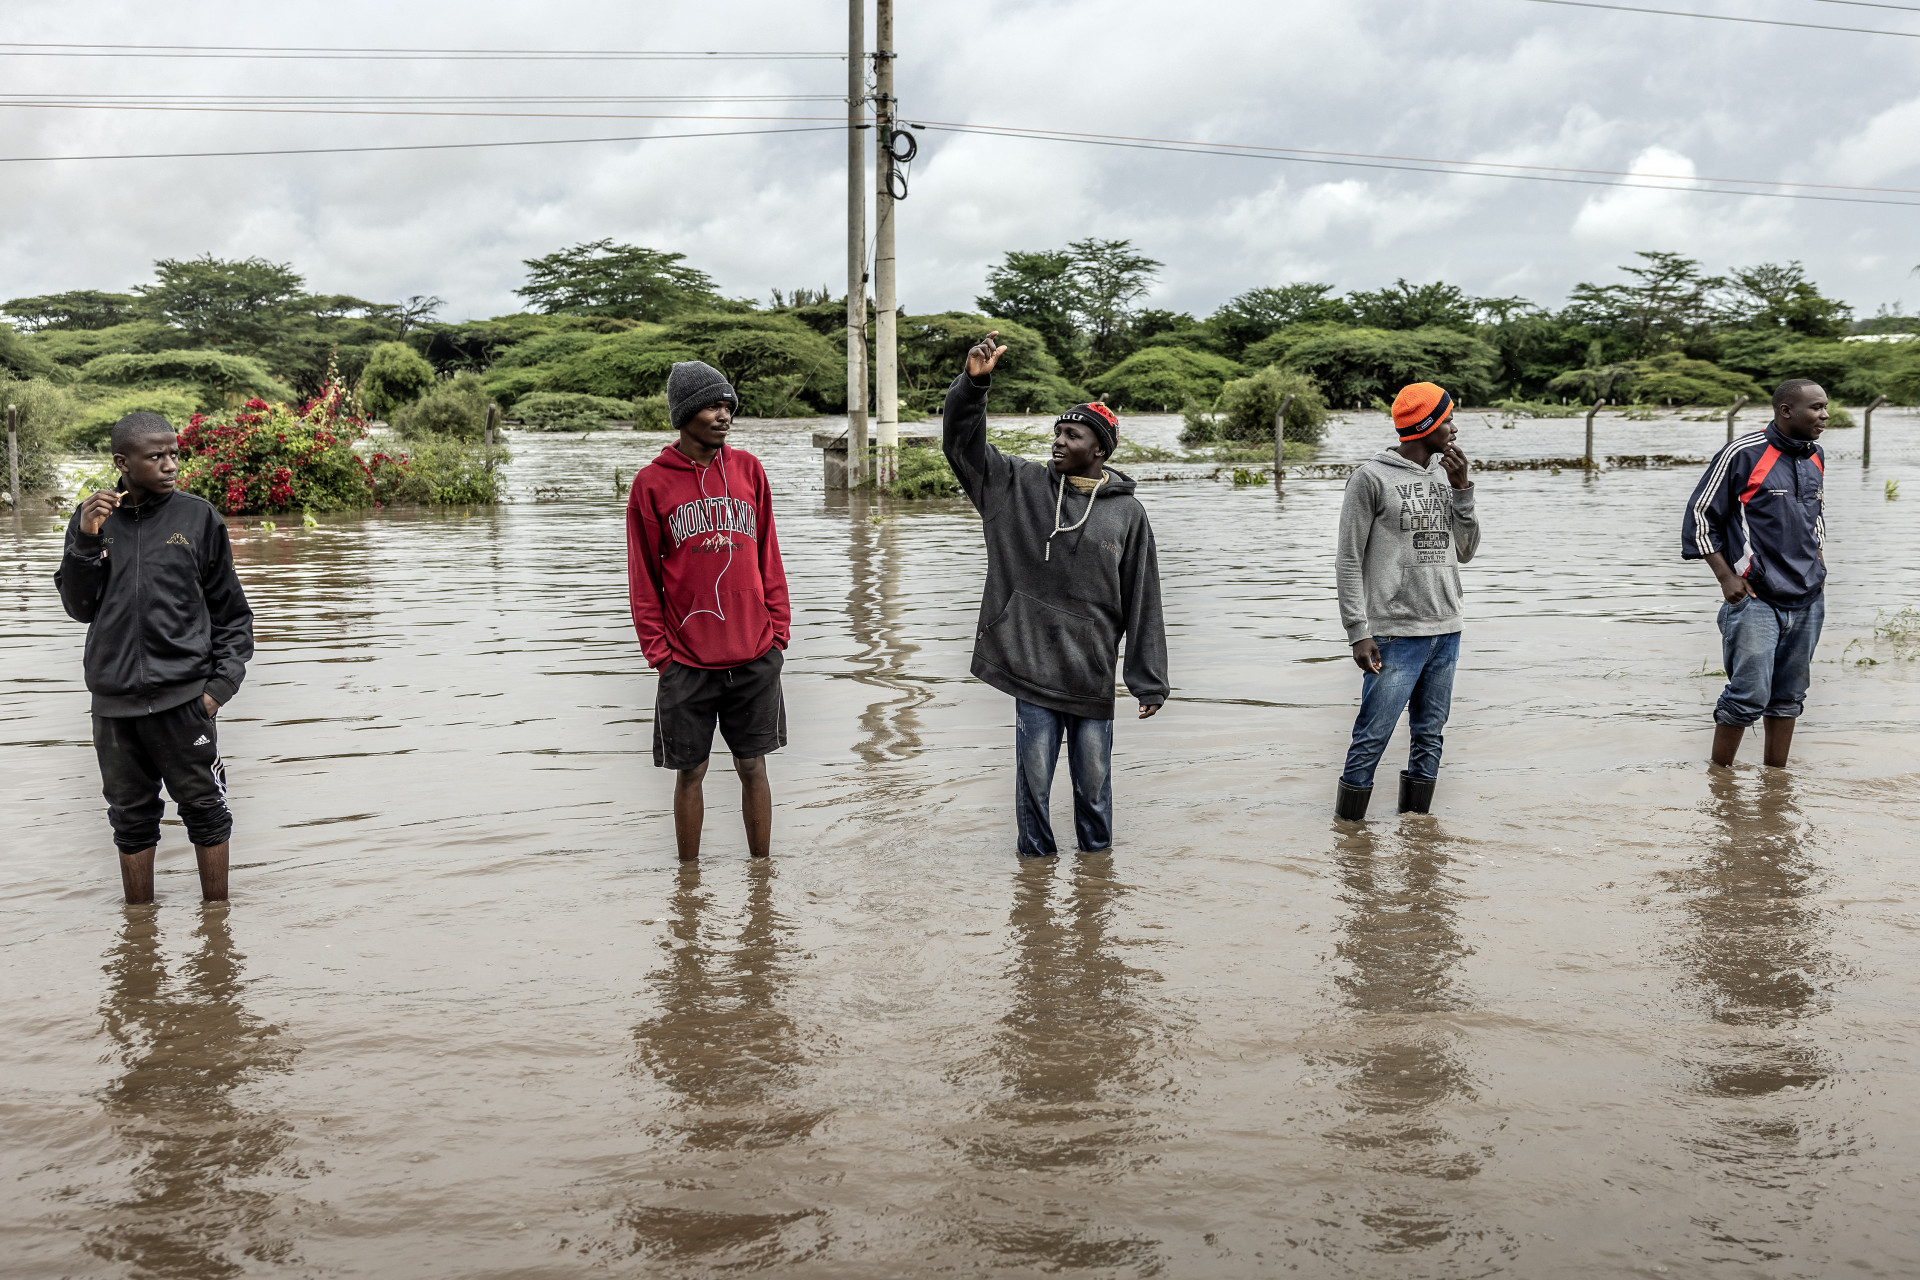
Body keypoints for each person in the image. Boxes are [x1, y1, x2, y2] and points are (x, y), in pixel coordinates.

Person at [943, 331, 1168, 858]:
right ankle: (1036, 882)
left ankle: (1096, 882)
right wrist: (973, 387)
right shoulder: (1014, 486)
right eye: (1057, 432)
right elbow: (960, 445)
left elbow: (1143, 600)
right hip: (1031, 665)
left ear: (1100, 449)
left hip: (1089, 672)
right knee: (1033, 790)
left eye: (1073, 435)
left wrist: (1148, 680)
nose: (1059, 441)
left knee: (1093, 791)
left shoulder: (1127, 514)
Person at [55, 411, 254, 904]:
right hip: (115, 705)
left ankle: (217, 924)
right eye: (156, 456)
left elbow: (232, 614)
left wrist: (215, 692)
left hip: (185, 701)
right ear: (123, 462)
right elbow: (79, 608)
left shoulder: (198, 517)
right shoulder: (91, 520)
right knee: (130, 819)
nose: (170, 465)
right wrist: (85, 538)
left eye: (174, 454)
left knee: (206, 810)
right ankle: (139, 928)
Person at [627, 360, 791, 860]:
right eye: (712, 405)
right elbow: (643, 579)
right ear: (683, 414)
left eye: (728, 406)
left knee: (753, 766)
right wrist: (660, 655)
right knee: (690, 772)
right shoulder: (651, 484)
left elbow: (768, 552)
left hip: (754, 653)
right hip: (685, 660)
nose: (724, 415)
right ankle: (688, 884)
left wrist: (777, 633)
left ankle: (762, 878)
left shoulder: (748, 470)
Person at [1334, 382, 1479, 821]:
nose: (1454, 429)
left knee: (1430, 735)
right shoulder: (1370, 478)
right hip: (1394, 633)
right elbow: (1347, 558)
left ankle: (1418, 838)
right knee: (1372, 735)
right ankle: (1348, 838)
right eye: (1447, 419)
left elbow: (1466, 550)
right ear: (1426, 425)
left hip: (1445, 628)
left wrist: (1462, 490)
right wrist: (1358, 632)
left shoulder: (1446, 474)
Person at [1682, 378, 1829, 769]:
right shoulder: (1743, 453)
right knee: (1747, 695)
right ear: (1786, 410)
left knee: (1790, 696)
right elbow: (1700, 516)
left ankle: (1775, 785)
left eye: (1825, 406)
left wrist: (1819, 564)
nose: (1825, 415)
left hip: (1808, 598)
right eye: (1816, 407)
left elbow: (1815, 516)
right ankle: (1720, 784)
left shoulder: (1816, 457)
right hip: (1755, 598)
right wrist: (1726, 578)